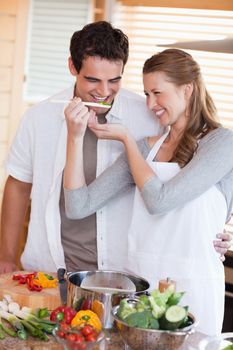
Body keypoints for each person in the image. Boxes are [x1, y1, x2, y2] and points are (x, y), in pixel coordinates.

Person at [0, 22, 229, 274]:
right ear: (73, 67)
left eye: (114, 80)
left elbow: (186, 183)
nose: (104, 91)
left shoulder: (150, 116)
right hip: (51, 267)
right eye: (93, 79)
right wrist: (6, 257)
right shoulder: (39, 117)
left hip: (125, 273)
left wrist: (217, 230)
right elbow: (20, 185)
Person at [63, 49, 233, 336]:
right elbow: (78, 206)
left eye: (157, 93)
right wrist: (75, 137)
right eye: (146, 94)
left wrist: (127, 140)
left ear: (187, 89)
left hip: (194, 289)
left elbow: (160, 201)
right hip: (141, 287)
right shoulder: (145, 149)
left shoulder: (222, 143)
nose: (150, 104)